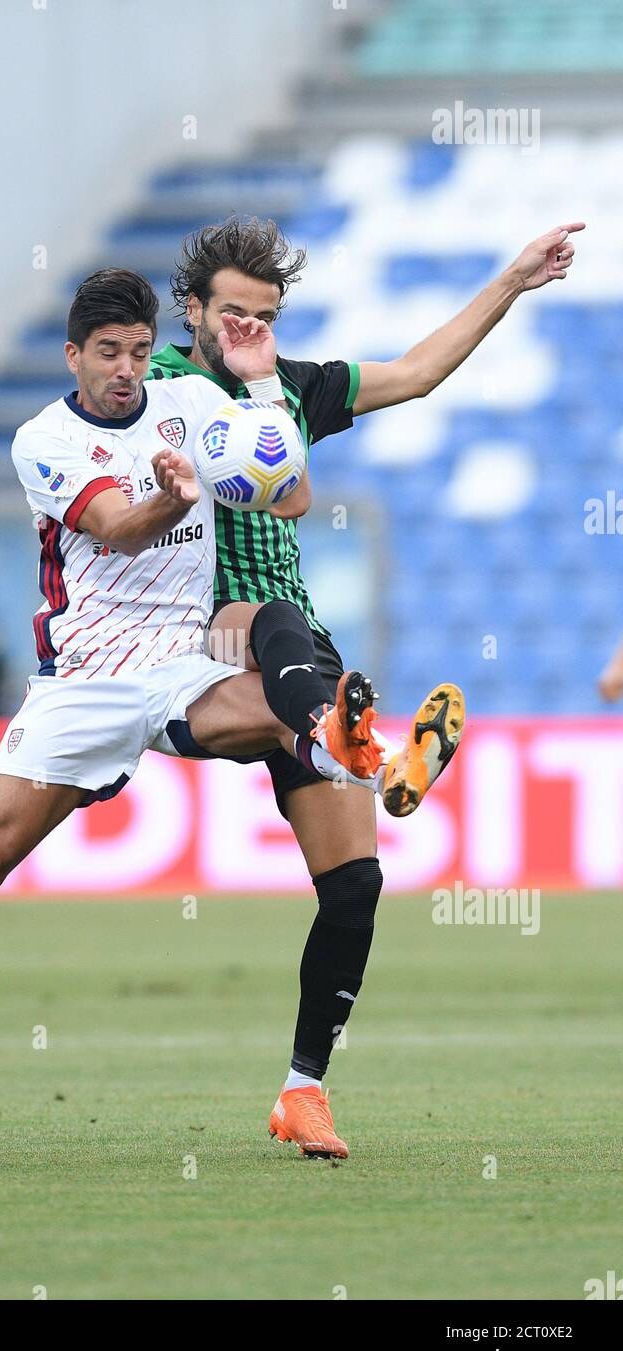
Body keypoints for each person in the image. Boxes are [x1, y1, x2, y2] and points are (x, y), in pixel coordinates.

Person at [0, 269, 396, 1147]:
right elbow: (115, 526)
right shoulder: (41, 439)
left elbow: (291, 493)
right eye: (107, 353)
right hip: (84, 681)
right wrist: (176, 495)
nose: (125, 369)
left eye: (139, 352)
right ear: (73, 355)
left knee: (273, 637)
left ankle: (335, 745)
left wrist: (261, 441)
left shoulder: (184, 400)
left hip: (184, 660)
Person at [150, 215, 582, 1156]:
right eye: (230, 313)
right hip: (191, 639)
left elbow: (417, 371)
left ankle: (303, 1092)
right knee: (269, 630)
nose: (245, 330)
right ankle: (363, 748)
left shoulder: (289, 388)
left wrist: (510, 281)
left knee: (353, 889)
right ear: (191, 309)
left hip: (293, 651)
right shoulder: (156, 394)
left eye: (262, 316)